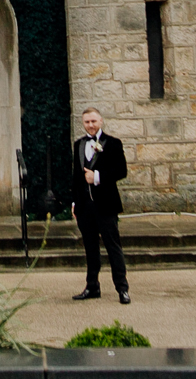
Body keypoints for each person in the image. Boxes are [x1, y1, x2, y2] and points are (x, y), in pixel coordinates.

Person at [69, 106, 129, 303]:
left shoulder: (113, 143)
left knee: (113, 247)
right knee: (90, 248)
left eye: (94, 121)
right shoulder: (78, 144)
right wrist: (74, 202)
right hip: (85, 206)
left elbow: (121, 171)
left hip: (106, 205)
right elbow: (76, 177)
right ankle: (92, 286)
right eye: (87, 122)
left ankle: (122, 288)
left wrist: (97, 177)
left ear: (101, 121)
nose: (91, 125)